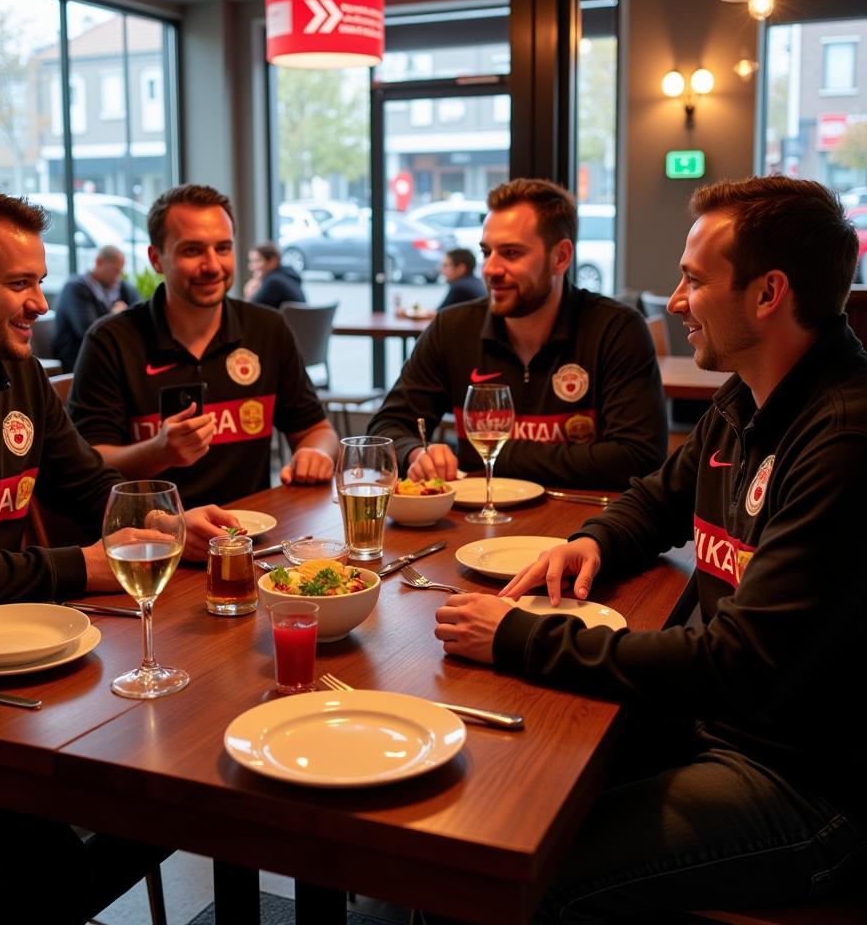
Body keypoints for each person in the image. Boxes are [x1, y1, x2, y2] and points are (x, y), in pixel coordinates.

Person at [435, 176, 867, 920]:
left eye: (694, 281)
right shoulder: (749, 395)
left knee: (513, 874)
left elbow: (736, 664)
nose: (673, 301)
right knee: (487, 803)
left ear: (768, 295)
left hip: (805, 787)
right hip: (717, 730)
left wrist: (519, 636)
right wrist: (593, 542)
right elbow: (656, 497)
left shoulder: (842, 438)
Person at [0, 181, 236, 924]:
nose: (42, 304)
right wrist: (79, 565)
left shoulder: (19, 371)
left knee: (167, 796)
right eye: (20, 283)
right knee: (51, 865)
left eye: (41, 282)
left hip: (4, 675)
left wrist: (173, 528)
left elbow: (90, 489)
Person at [368, 178, 666, 490]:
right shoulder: (452, 329)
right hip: (479, 525)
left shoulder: (616, 329)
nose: (490, 269)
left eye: (510, 253)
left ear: (561, 258)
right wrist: (416, 453)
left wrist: (486, 454)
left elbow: (639, 457)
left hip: (583, 527)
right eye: (486, 252)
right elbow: (386, 429)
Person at [68, 184, 338, 507]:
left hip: (251, 536)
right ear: (156, 259)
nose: (212, 266)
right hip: (153, 540)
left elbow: (317, 430)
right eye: (192, 251)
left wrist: (316, 452)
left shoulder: (268, 329)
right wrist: (159, 451)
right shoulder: (110, 341)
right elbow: (89, 464)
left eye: (223, 248)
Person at [53, 244, 140, 370]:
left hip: (109, 355)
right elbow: (88, 331)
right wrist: (116, 317)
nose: (118, 277)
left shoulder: (123, 288)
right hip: (79, 357)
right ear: (99, 262)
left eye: (120, 271)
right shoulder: (75, 288)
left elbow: (140, 319)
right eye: (115, 270)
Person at [399, 248, 486, 319]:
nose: (441, 270)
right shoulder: (476, 282)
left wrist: (407, 313)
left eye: (445, 265)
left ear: (460, 268)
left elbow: (438, 315)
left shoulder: (460, 288)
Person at [243, 241, 306, 308]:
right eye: (251, 262)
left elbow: (248, 311)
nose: (251, 267)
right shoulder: (287, 276)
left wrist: (249, 294)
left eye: (257, 261)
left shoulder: (273, 282)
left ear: (272, 261)